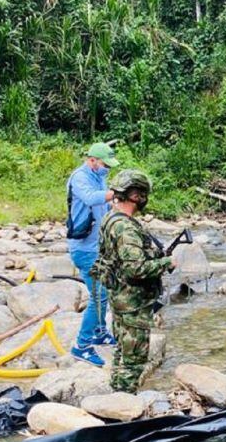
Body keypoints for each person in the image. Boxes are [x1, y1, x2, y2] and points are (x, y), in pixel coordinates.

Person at [92, 170, 174, 393]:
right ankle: (123, 411)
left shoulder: (111, 218)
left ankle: (116, 398)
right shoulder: (126, 227)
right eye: (143, 195)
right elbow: (135, 269)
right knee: (134, 360)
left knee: (122, 352)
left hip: (120, 298)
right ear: (137, 196)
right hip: (132, 303)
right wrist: (167, 263)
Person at [66, 143, 120, 366]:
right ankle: (82, 346)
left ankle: (99, 332)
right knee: (98, 295)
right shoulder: (80, 177)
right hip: (83, 248)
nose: (107, 168)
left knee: (104, 290)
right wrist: (115, 194)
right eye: (105, 164)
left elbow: (105, 207)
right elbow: (90, 198)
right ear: (92, 161)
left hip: (97, 245)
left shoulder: (99, 177)